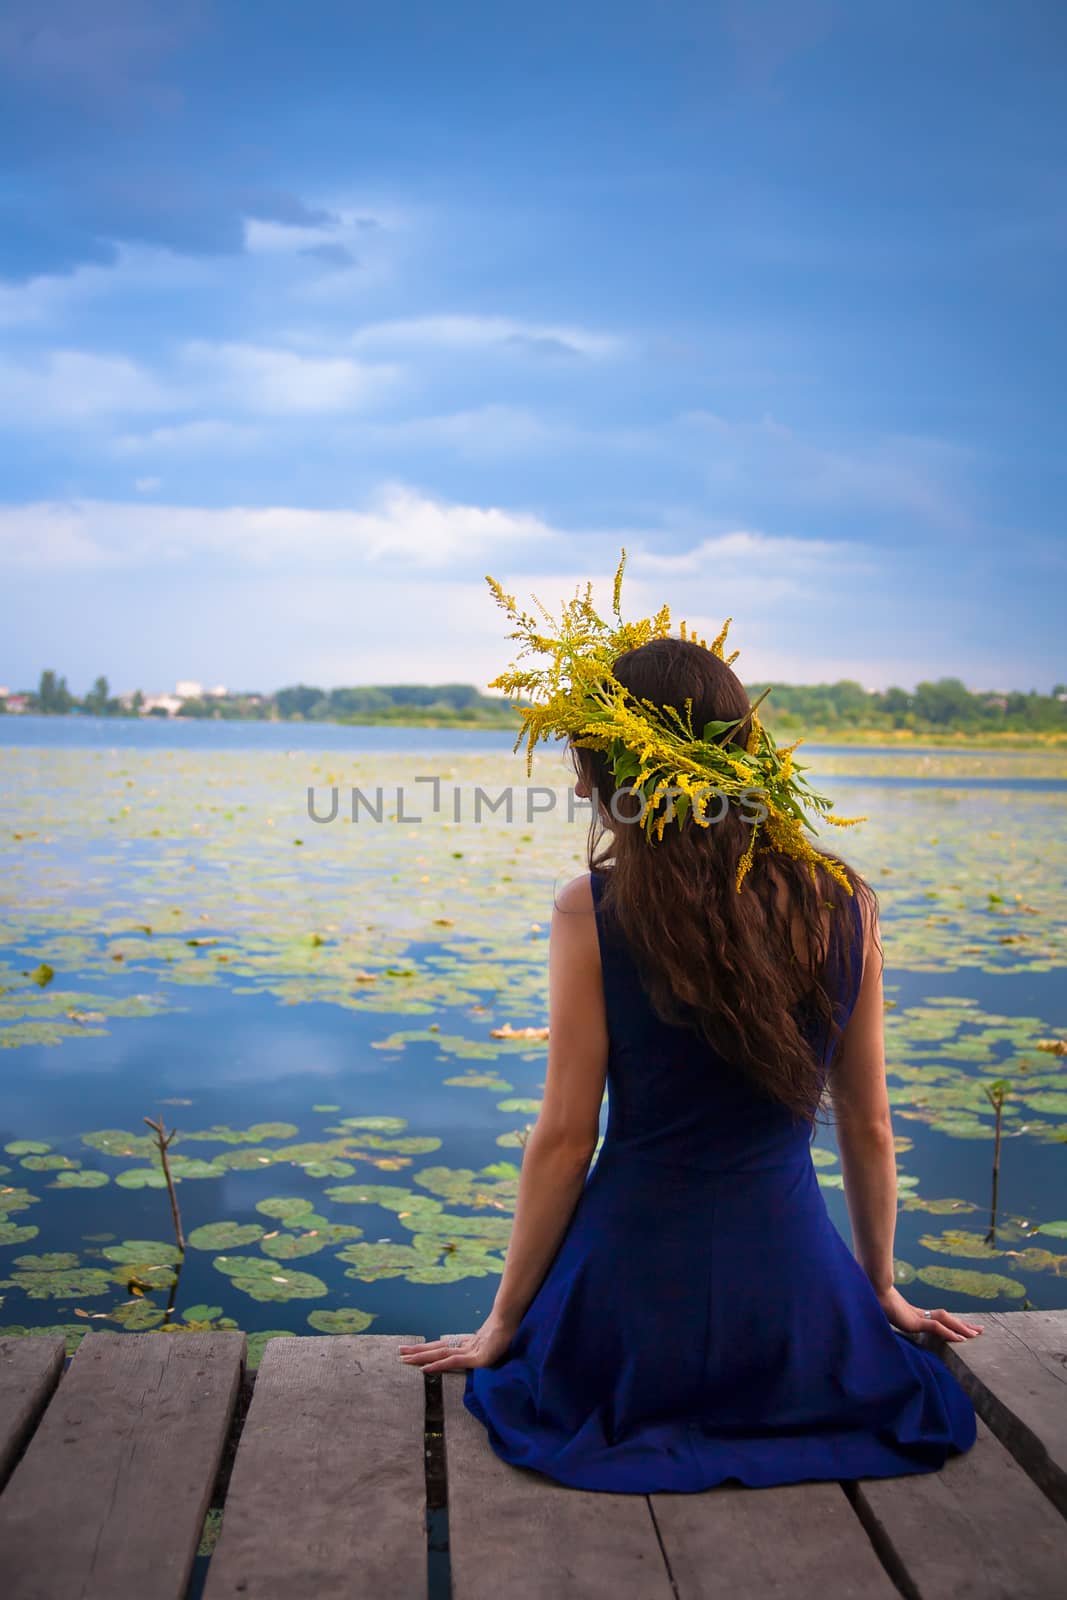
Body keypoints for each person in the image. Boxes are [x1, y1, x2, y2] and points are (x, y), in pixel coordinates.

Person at [399, 556, 980, 1493]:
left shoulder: (591, 908)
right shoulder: (847, 906)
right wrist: (875, 1291)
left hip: (624, 1315)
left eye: (584, 760)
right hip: (795, 1309)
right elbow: (868, 1128)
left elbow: (561, 1139)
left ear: (615, 764)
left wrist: (501, 1323)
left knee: (558, 1395)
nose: (580, 786)